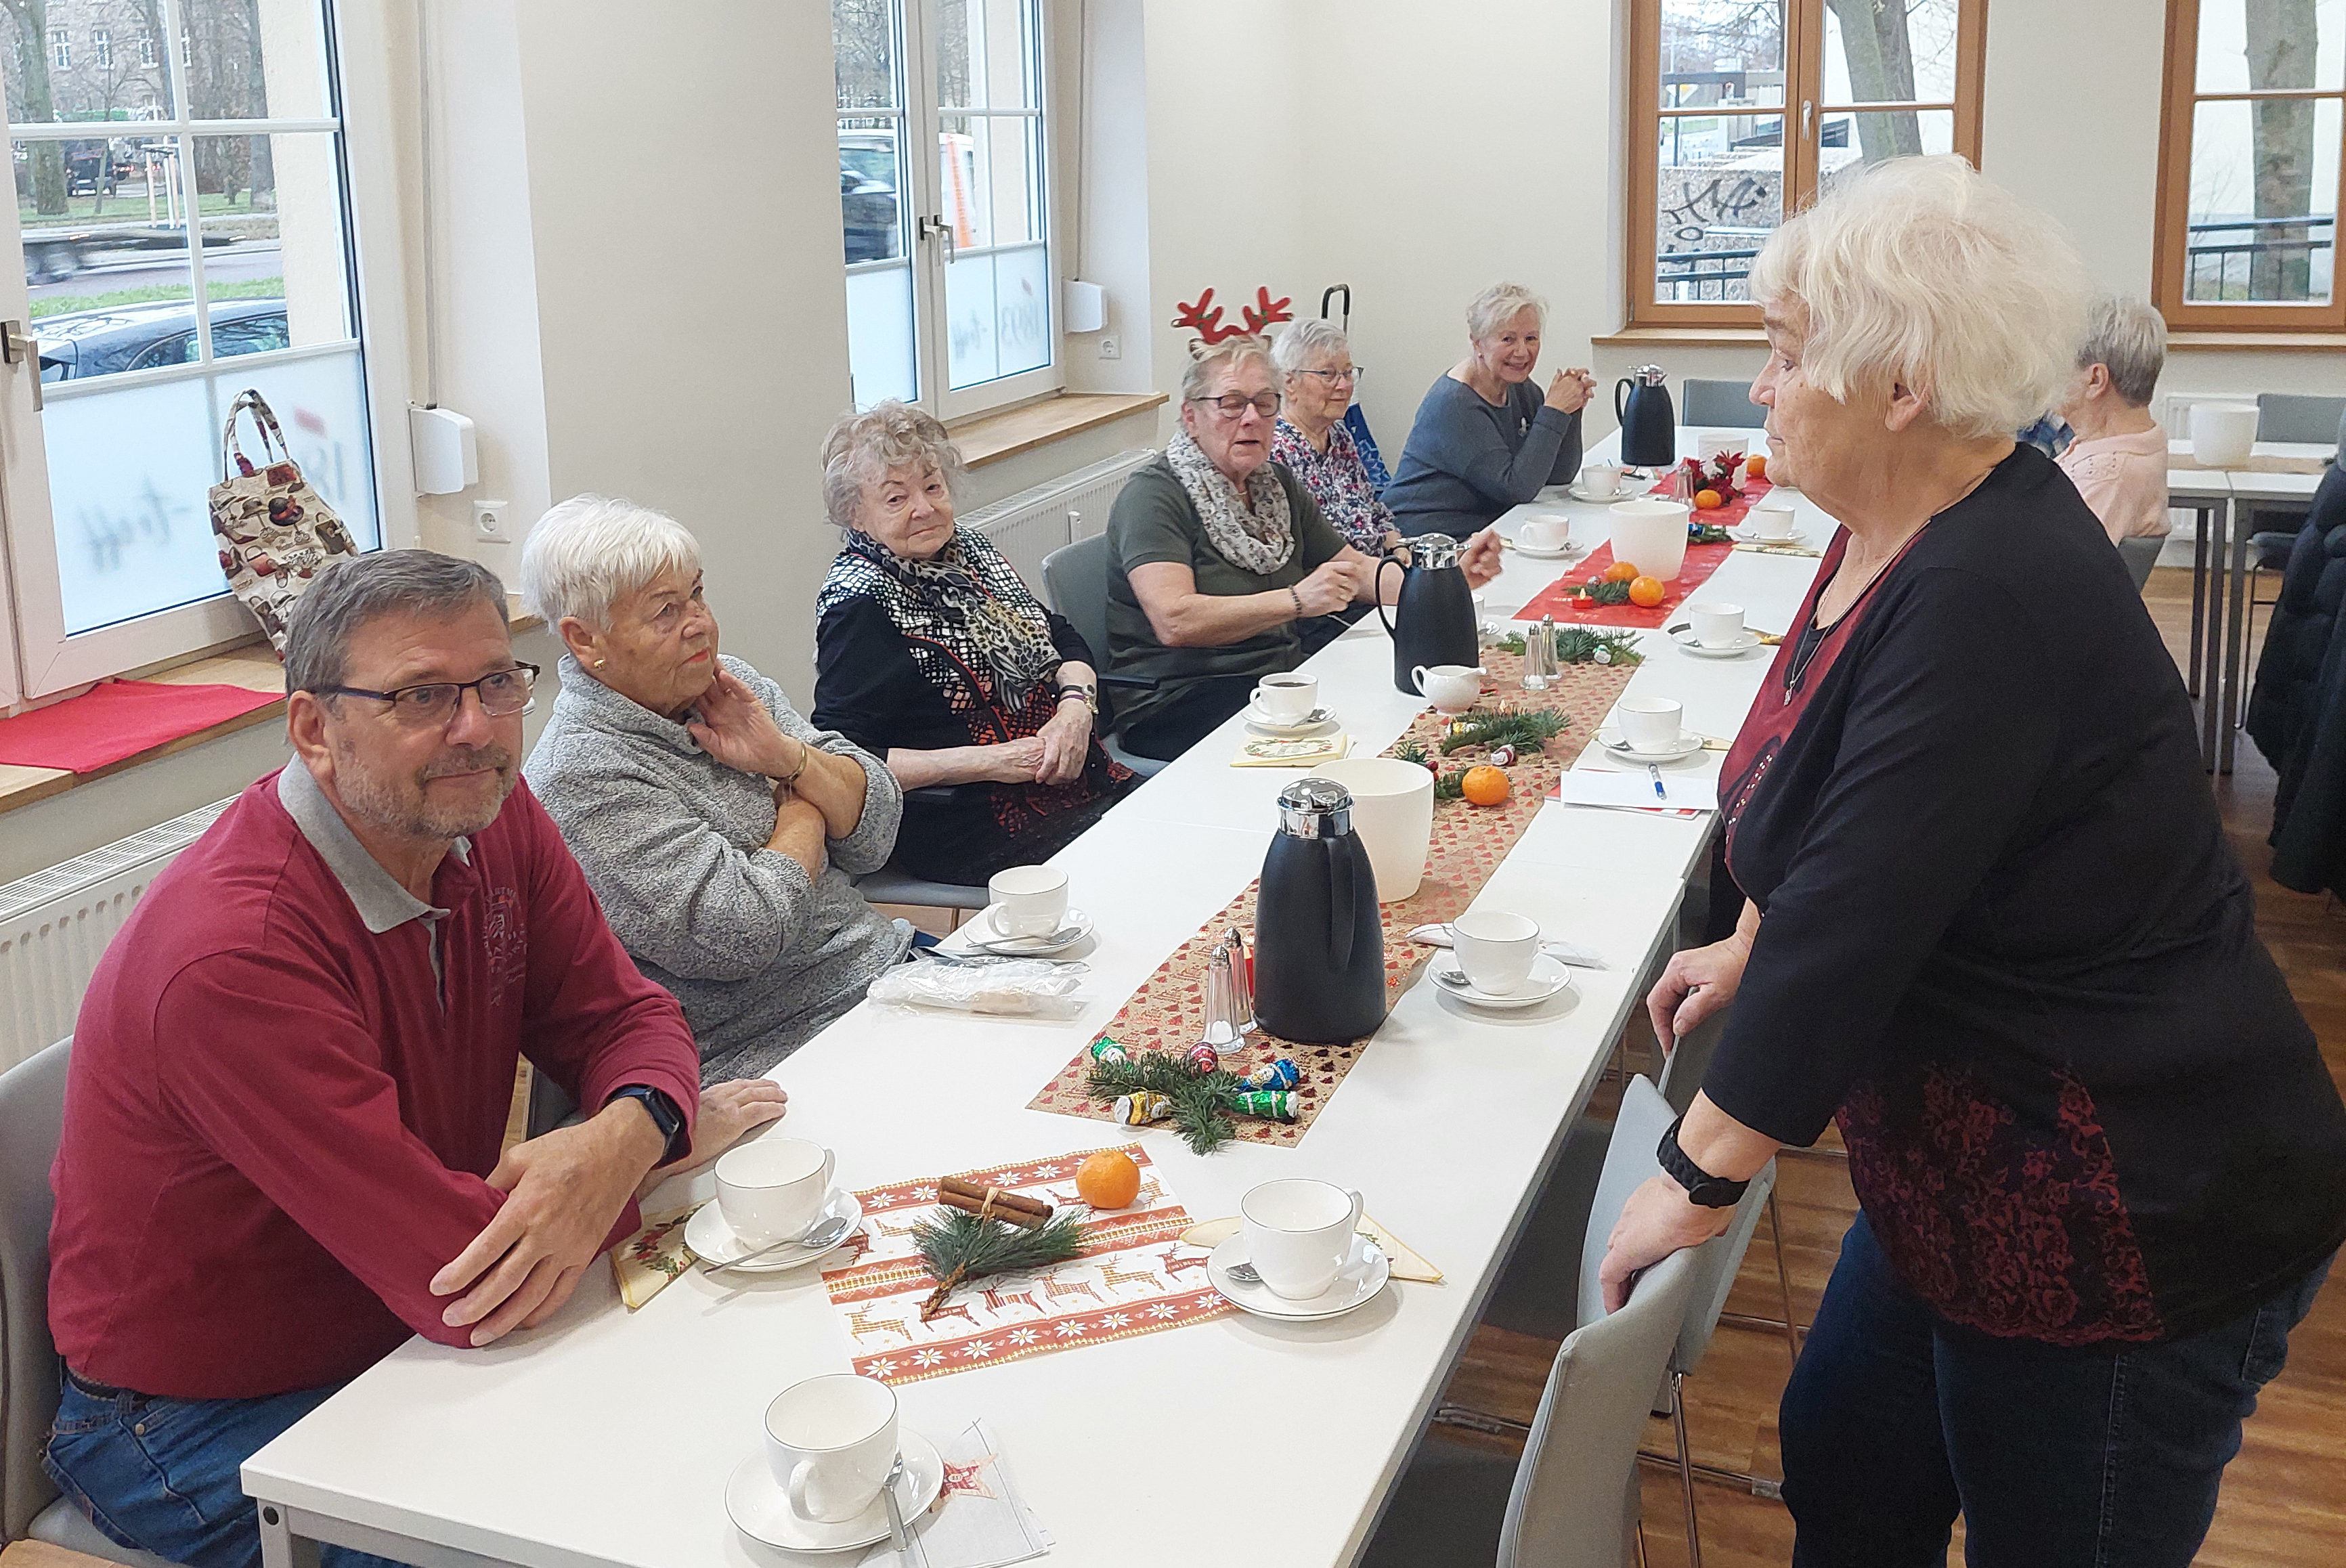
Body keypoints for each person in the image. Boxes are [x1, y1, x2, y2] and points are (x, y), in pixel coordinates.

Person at [1595, 158, 2346, 1568]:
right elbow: (1846, 801)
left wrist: (1695, 1175)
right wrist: (1748, 939)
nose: (1760, 385)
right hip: (1963, 1160)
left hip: (2126, 1195)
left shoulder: (1989, 584)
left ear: (1899, 384)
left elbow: (1861, 915)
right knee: (1848, 1464)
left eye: (1785, 351)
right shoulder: (1887, 537)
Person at [44, 551, 785, 1568]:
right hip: (190, 1422)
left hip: (396, 1323)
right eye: (420, 697)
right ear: (314, 730)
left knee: (719, 1413)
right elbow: (464, 1282)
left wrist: (629, 1129)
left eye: (496, 684)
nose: (475, 728)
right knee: (582, 1526)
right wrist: (652, 1150)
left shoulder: (487, 812)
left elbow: (628, 1018)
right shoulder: (234, 958)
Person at [521, 495, 910, 1080]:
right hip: (770, 1049)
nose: (699, 622)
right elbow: (743, 935)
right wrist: (803, 805)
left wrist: (786, 758)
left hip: (883, 973)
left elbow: (875, 834)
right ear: (586, 640)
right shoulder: (579, 775)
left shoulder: (724, 683)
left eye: (697, 593)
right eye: (665, 611)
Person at [1105, 336, 1502, 761]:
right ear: (1191, 416)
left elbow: (1357, 570)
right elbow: (1175, 620)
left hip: (1275, 680)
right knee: (1369, 734)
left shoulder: (1274, 483)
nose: (1252, 419)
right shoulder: (1154, 495)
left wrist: (1443, 580)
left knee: (1409, 707)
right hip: (1180, 698)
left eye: (1265, 403)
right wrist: (1296, 600)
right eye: (1232, 404)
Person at [812, 401, 1137, 886]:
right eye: (896, 498)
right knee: (1144, 862)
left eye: (932, 487)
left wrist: (1075, 709)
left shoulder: (968, 552)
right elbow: (846, 758)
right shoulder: (859, 605)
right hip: (970, 819)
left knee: (1192, 824)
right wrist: (995, 761)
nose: (924, 508)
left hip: (1074, 777)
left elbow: (1060, 637)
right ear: (855, 515)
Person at [1383, 282, 1594, 539]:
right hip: (1428, 536)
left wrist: (1570, 410)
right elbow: (1516, 488)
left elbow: (1558, 475)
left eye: (1531, 338)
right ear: (1478, 343)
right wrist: (1554, 411)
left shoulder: (1521, 388)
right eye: (1508, 339)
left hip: (1487, 526)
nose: (1522, 352)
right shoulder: (1456, 404)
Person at [2054, 292, 2172, 544]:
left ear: (2095, 380)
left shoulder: (2107, 479)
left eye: (2059, 362)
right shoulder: (2139, 440)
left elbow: (2058, 565)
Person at [1270, 318, 1395, 556]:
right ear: (1289, 383)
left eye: (1348, 373)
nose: (1344, 385)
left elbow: (1373, 511)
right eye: (1328, 374)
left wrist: (1398, 547)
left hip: (1378, 566)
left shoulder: (1339, 436)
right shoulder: (1274, 452)